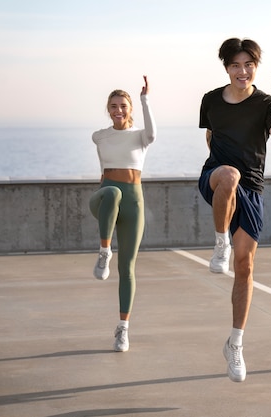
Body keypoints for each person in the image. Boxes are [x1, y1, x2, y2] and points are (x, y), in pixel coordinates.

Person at [198, 38, 271, 382]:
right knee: (229, 175)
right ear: (226, 68)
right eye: (235, 65)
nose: (242, 71)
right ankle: (220, 242)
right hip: (216, 177)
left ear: (255, 67)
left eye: (248, 65)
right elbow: (211, 138)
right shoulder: (210, 100)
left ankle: (235, 344)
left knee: (245, 266)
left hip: (252, 188)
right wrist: (221, 167)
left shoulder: (266, 102)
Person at [89, 76, 156, 352]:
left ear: (130, 109)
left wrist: (144, 99)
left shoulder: (141, 136)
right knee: (113, 193)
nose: (119, 110)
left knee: (127, 268)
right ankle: (104, 250)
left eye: (123, 106)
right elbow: (103, 171)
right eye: (114, 106)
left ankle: (123, 329)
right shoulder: (99, 136)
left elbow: (152, 133)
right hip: (105, 197)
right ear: (108, 109)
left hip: (134, 202)